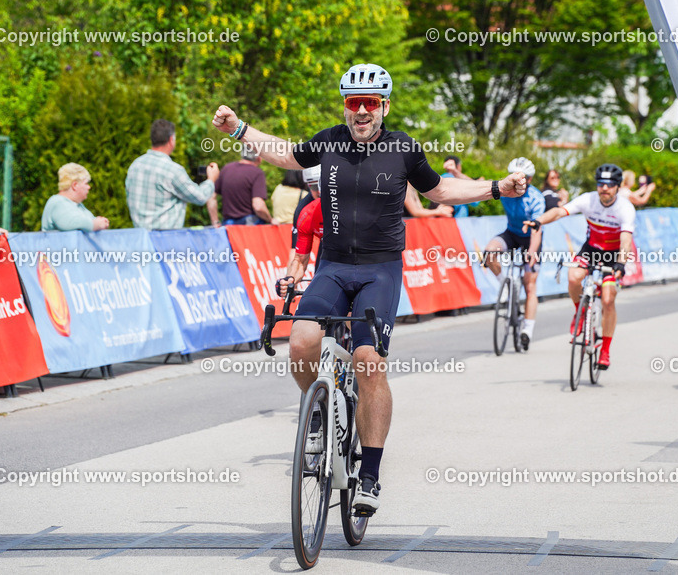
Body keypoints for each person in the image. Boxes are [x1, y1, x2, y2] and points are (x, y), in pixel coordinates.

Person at [211, 62, 526, 515]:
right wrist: (239, 128)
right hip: (334, 266)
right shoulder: (329, 140)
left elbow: (440, 193)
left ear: (384, 106)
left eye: (369, 103)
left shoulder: (403, 149)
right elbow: (283, 155)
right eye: (352, 103)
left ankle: (371, 475)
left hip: (380, 270)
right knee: (300, 341)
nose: (360, 111)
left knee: (366, 361)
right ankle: (317, 412)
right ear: (345, 106)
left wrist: (496, 186)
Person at [524, 164, 635, 370]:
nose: (604, 189)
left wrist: (621, 262)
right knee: (573, 276)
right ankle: (580, 312)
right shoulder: (588, 199)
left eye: (610, 185)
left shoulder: (625, 208)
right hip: (591, 248)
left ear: (618, 187)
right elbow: (559, 211)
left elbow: (626, 240)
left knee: (609, 299)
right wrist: (539, 221)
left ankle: (605, 351)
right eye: (601, 184)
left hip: (613, 254)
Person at [482, 157, 545, 351]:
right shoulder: (504, 189)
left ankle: (527, 329)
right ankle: (506, 284)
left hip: (530, 237)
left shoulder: (536, 198)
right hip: (511, 233)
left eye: (524, 179)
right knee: (488, 253)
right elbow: (479, 186)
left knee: (530, 283)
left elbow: (537, 230)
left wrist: (532, 253)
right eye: (515, 178)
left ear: (531, 179)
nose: (519, 182)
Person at [126, 119, 220, 229]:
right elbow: (200, 197)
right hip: (166, 241)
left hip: (141, 240)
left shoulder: (135, 165)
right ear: (171, 140)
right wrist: (211, 179)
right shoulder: (172, 170)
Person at [41, 163, 110, 232]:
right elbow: (69, 222)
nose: (89, 187)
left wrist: (102, 222)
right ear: (75, 185)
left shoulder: (78, 205)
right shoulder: (57, 202)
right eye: (86, 183)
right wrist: (94, 224)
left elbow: (90, 220)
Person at [215, 145, 271, 225]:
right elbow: (258, 206)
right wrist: (270, 219)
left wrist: (215, 221)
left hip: (228, 225)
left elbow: (212, 196)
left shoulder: (227, 168)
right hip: (248, 225)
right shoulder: (257, 173)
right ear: (259, 157)